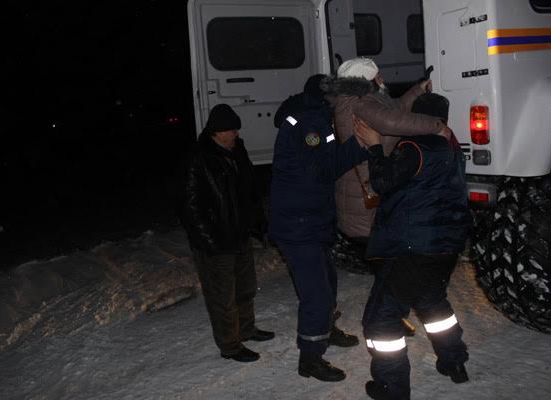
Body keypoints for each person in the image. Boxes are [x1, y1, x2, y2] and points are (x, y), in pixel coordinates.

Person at [355, 93, 472, 400]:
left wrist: (375, 147)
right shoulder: (452, 150)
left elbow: (382, 182)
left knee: (381, 320)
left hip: (411, 249)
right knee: (433, 305)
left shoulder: (415, 148)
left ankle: (391, 388)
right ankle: (454, 362)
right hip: (445, 247)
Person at [322, 57, 450, 336]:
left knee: (390, 266)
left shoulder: (357, 99)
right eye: (378, 75)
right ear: (368, 79)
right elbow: (393, 120)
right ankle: (386, 319)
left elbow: (393, 109)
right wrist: (437, 125)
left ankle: (392, 314)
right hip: (367, 204)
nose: (383, 78)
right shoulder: (361, 103)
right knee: (392, 268)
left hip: (363, 199)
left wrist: (417, 90)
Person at [269, 75, 368, 382]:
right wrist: (359, 145)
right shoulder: (309, 124)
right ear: (327, 97)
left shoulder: (314, 117)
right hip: (299, 225)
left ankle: (326, 329)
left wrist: (354, 145)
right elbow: (321, 170)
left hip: (309, 220)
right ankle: (310, 359)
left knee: (328, 282)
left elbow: (325, 161)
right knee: (317, 295)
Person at [180, 103, 274, 363]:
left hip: (240, 235)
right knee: (222, 297)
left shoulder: (237, 150)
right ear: (217, 132)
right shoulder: (199, 157)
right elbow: (189, 206)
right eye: (231, 130)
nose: (236, 134)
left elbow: (250, 191)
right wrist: (209, 240)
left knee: (246, 288)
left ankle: (246, 329)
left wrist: (259, 223)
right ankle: (230, 346)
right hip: (215, 242)